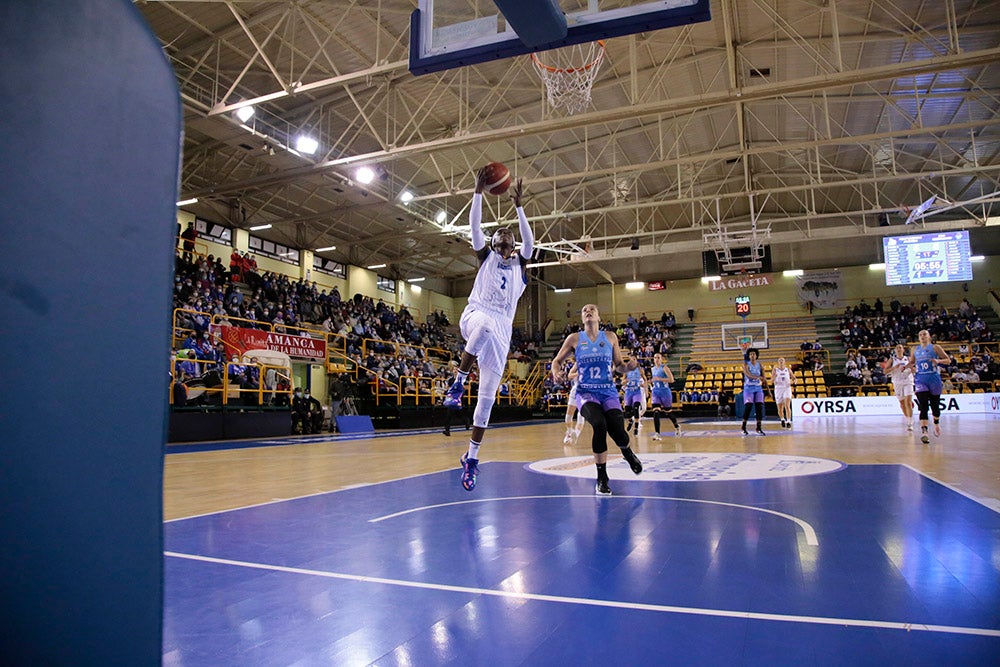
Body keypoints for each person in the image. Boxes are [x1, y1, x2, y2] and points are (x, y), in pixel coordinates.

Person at [441, 169, 533, 492]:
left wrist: (520, 207)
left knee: (487, 403)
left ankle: (471, 458)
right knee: (483, 329)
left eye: (509, 237)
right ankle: (457, 384)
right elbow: (475, 226)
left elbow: (530, 242)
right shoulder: (486, 258)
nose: (503, 238)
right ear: (494, 244)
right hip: (477, 314)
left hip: (502, 331)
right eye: (499, 237)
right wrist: (478, 193)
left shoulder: (521, 267)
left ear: (512, 245)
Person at [551, 304, 643, 495]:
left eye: (592, 309)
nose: (588, 311)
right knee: (599, 424)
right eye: (584, 310)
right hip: (585, 393)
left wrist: (629, 367)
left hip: (608, 392)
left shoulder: (610, 337)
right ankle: (602, 478)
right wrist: (556, 372)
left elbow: (618, 366)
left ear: (599, 317)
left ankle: (627, 452)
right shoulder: (574, 339)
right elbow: (556, 361)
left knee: (618, 430)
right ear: (582, 318)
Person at [908, 330, 952, 444]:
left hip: (933, 379)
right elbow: (912, 362)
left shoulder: (935, 347)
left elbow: (948, 360)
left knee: (935, 406)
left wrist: (938, 360)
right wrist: (906, 367)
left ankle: (936, 423)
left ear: (929, 337)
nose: (922, 336)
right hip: (920, 379)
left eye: (924, 334)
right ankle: (924, 432)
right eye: (920, 335)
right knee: (923, 406)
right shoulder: (915, 349)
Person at [648, 353, 680, 440]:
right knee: (656, 412)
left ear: (661, 359)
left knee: (668, 412)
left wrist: (660, 379)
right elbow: (654, 380)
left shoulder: (664, 368)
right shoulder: (652, 369)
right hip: (655, 392)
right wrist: (649, 382)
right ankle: (657, 433)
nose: (656, 359)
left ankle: (676, 426)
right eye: (655, 358)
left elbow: (671, 380)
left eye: (658, 358)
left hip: (665, 392)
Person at [883, 344, 914, 431]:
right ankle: (907, 418)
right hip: (897, 382)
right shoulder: (892, 359)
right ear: (895, 350)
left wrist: (911, 369)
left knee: (908, 402)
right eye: (897, 348)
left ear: (903, 350)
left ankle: (910, 422)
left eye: (900, 348)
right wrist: (894, 368)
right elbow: (885, 371)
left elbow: (914, 369)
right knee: (902, 404)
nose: (899, 349)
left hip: (908, 381)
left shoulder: (908, 359)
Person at [741, 348, 766, 436]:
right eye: (751, 354)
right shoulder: (745, 364)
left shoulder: (760, 365)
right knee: (748, 406)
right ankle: (743, 426)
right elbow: (747, 374)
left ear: (756, 355)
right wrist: (757, 378)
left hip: (758, 388)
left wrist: (764, 381)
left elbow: (764, 376)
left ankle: (758, 427)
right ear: (748, 355)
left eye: (754, 354)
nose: (752, 355)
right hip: (748, 388)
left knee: (759, 407)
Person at [622, 357, 647, 436]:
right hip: (629, 391)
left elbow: (645, 380)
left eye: (634, 360)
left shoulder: (640, 370)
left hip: (637, 391)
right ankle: (630, 421)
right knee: (627, 411)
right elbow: (622, 381)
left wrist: (645, 387)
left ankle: (636, 428)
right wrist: (624, 382)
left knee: (636, 408)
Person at [562, 361, 585, 445]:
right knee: (568, 415)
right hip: (576, 390)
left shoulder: (594, 361)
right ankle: (569, 432)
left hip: (587, 390)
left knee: (581, 414)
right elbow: (569, 376)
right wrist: (578, 374)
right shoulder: (578, 363)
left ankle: (576, 434)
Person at [770, 357, 795, 429]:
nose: (781, 361)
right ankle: (782, 419)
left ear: (784, 362)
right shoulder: (775, 370)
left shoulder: (788, 369)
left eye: (782, 360)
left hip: (786, 388)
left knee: (787, 405)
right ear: (778, 362)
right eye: (779, 360)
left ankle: (789, 421)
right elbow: (771, 381)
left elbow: (794, 377)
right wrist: (774, 377)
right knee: (780, 408)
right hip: (778, 389)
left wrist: (794, 380)